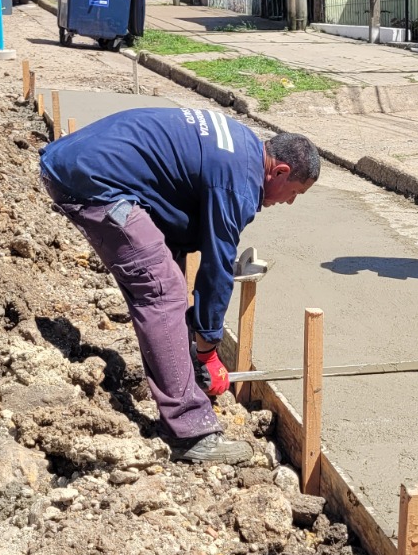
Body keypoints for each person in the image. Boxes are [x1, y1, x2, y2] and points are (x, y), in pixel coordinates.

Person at [39, 107, 320, 464]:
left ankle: (176, 372)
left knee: (161, 271)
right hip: (92, 183)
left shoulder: (241, 148)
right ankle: (190, 431)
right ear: (279, 172)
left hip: (80, 164)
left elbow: (182, 220)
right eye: (294, 192)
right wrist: (207, 348)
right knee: (162, 291)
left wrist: (194, 338)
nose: (289, 201)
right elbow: (217, 265)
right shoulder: (238, 182)